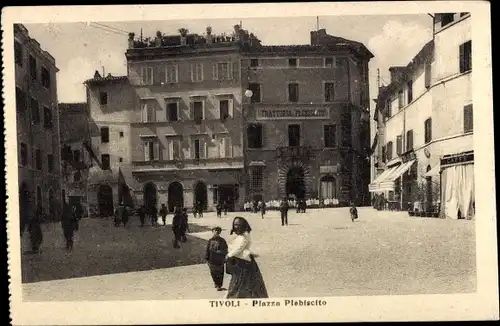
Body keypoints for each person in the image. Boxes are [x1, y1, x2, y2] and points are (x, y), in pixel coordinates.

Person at [225, 217, 268, 298]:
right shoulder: (240, 234)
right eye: (234, 224)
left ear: (242, 225)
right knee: (239, 282)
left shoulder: (245, 235)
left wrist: (229, 255)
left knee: (243, 283)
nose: (236, 226)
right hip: (240, 260)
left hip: (244, 262)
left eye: (238, 224)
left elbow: (240, 247)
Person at [205, 226, 228, 291]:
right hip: (212, 259)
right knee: (213, 272)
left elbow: (225, 249)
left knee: (220, 273)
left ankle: (219, 285)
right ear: (212, 232)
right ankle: (216, 283)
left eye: (218, 231)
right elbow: (207, 250)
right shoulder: (210, 240)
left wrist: (221, 253)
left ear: (220, 232)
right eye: (215, 231)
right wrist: (206, 258)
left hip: (220, 259)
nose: (216, 232)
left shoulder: (222, 240)